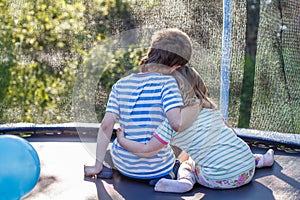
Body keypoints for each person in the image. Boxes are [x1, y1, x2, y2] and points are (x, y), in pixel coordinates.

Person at [117, 66, 275, 193]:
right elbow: (232, 135)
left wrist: (123, 141)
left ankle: (185, 182)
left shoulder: (170, 125)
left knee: (187, 165)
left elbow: (147, 150)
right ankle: (262, 160)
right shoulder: (211, 110)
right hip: (247, 169)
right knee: (232, 147)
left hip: (221, 178)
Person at [84, 28, 200, 184]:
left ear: (151, 52)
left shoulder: (120, 85)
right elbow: (177, 123)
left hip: (123, 167)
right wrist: (196, 107)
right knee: (180, 162)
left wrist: (96, 165)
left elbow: (106, 126)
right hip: (157, 169)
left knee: (111, 152)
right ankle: (167, 176)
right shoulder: (168, 84)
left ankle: (105, 166)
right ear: (175, 68)